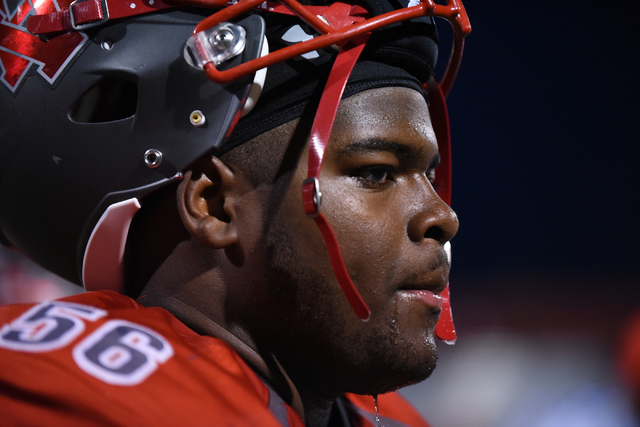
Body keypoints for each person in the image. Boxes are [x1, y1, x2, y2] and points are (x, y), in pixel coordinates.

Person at [0, 0, 470, 425]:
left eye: (428, 175)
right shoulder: (95, 392)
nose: (441, 215)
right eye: (376, 173)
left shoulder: (379, 413)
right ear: (216, 206)